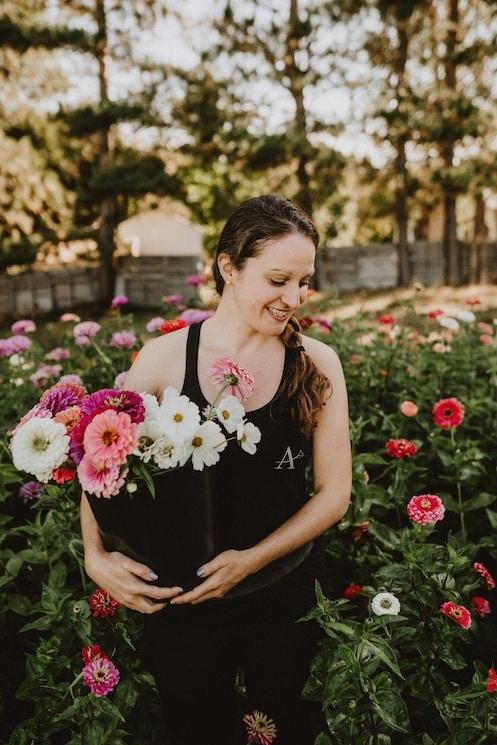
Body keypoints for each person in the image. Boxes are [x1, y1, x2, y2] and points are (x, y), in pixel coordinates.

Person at [80, 194, 351, 745]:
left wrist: (251, 561)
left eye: (303, 282)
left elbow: (334, 493)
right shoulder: (161, 359)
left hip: (281, 592)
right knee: (196, 727)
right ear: (229, 267)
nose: (294, 298)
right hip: (182, 603)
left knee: (282, 729)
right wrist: (96, 556)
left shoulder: (317, 362)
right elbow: (99, 465)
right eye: (278, 279)